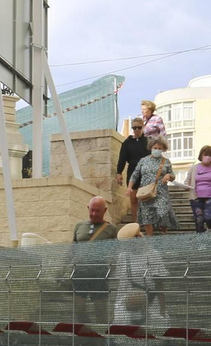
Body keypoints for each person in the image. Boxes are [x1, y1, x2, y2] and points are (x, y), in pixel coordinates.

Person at [71, 196, 118, 324]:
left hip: (99, 273)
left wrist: (114, 270)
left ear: (105, 210)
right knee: (79, 309)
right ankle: (86, 335)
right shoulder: (79, 226)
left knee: (100, 310)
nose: (94, 214)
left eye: (97, 211)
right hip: (80, 272)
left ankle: (101, 340)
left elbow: (116, 252)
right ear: (88, 209)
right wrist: (62, 269)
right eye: (91, 210)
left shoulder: (111, 229)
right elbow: (72, 249)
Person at [129, 137, 178, 237]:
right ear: (151, 147)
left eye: (160, 148)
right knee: (147, 215)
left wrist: (169, 176)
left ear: (163, 149)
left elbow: (172, 176)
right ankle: (149, 237)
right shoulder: (143, 161)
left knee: (163, 212)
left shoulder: (166, 161)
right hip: (146, 191)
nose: (157, 150)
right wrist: (129, 187)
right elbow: (135, 174)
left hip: (161, 191)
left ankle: (164, 233)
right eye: (155, 147)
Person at [115, 118, 149, 220]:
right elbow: (122, 158)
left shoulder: (148, 141)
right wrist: (119, 172)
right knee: (133, 199)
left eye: (139, 127)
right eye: (134, 128)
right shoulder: (127, 143)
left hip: (146, 172)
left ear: (143, 127)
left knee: (146, 198)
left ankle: (148, 222)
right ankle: (136, 222)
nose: (137, 130)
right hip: (133, 171)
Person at [187, 146, 211, 234]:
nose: (208, 157)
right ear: (201, 155)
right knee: (199, 219)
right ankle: (200, 240)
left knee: (208, 216)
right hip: (195, 197)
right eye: (206, 154)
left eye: (210, 155)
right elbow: (187, 181)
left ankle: (210, 228)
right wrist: (186, 186)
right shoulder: (193, 168)